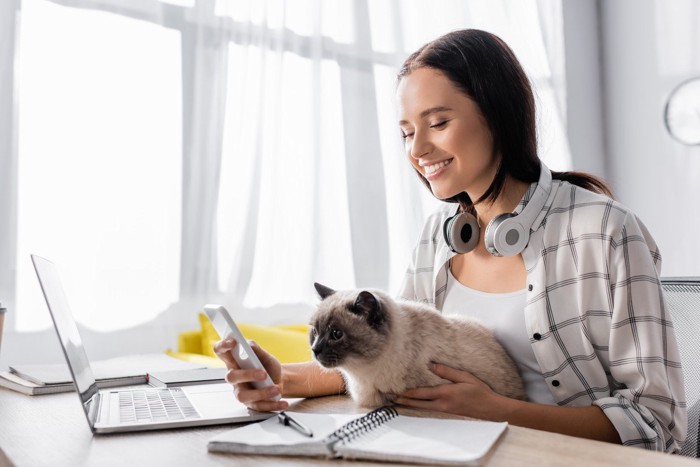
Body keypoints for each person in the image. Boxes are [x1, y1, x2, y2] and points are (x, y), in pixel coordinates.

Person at [214, 29, 687, 453]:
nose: (417, 151)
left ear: (497, 116)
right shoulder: (437, 239)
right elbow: (385, 360)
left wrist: (497, 409)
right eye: (406, 132)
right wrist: (282, 377)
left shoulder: (605, 232)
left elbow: (657, 423)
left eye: (437, 123)